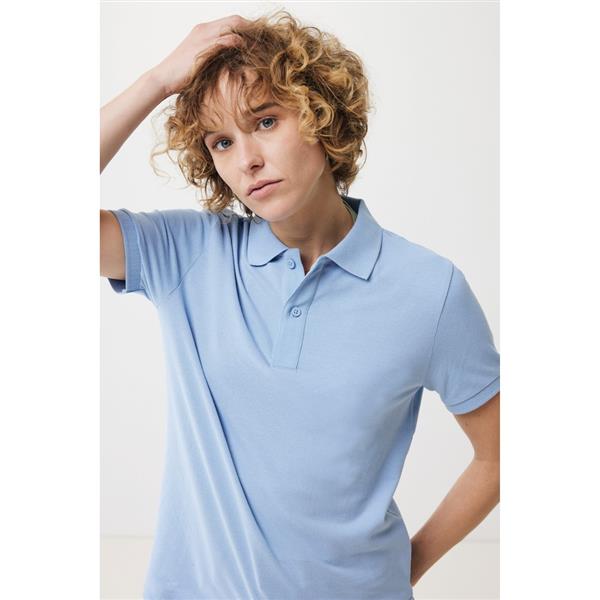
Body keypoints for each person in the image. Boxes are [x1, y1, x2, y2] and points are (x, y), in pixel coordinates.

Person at [100, 10, 500, 600]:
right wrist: (157, 81)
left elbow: (500, 455)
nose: (246, 159)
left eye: (265, 121)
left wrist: (404, 567)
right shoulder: (188, 254)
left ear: (321, 115)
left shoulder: (429, 290)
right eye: (221, 141)